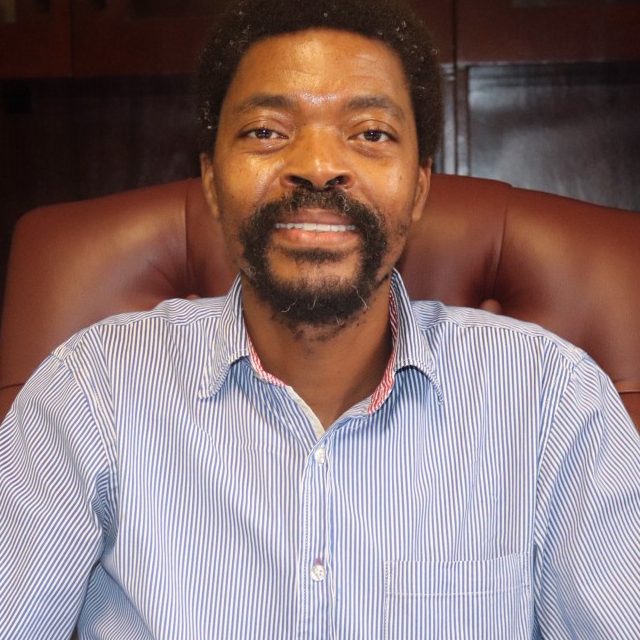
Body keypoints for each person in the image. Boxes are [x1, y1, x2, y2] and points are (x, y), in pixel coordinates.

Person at [1, 0, 639, 637]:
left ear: (419, 189)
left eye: (370, 133)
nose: (316, 165)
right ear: (212, 182)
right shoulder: (92, 391)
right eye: (266, 131)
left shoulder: (550, 399)